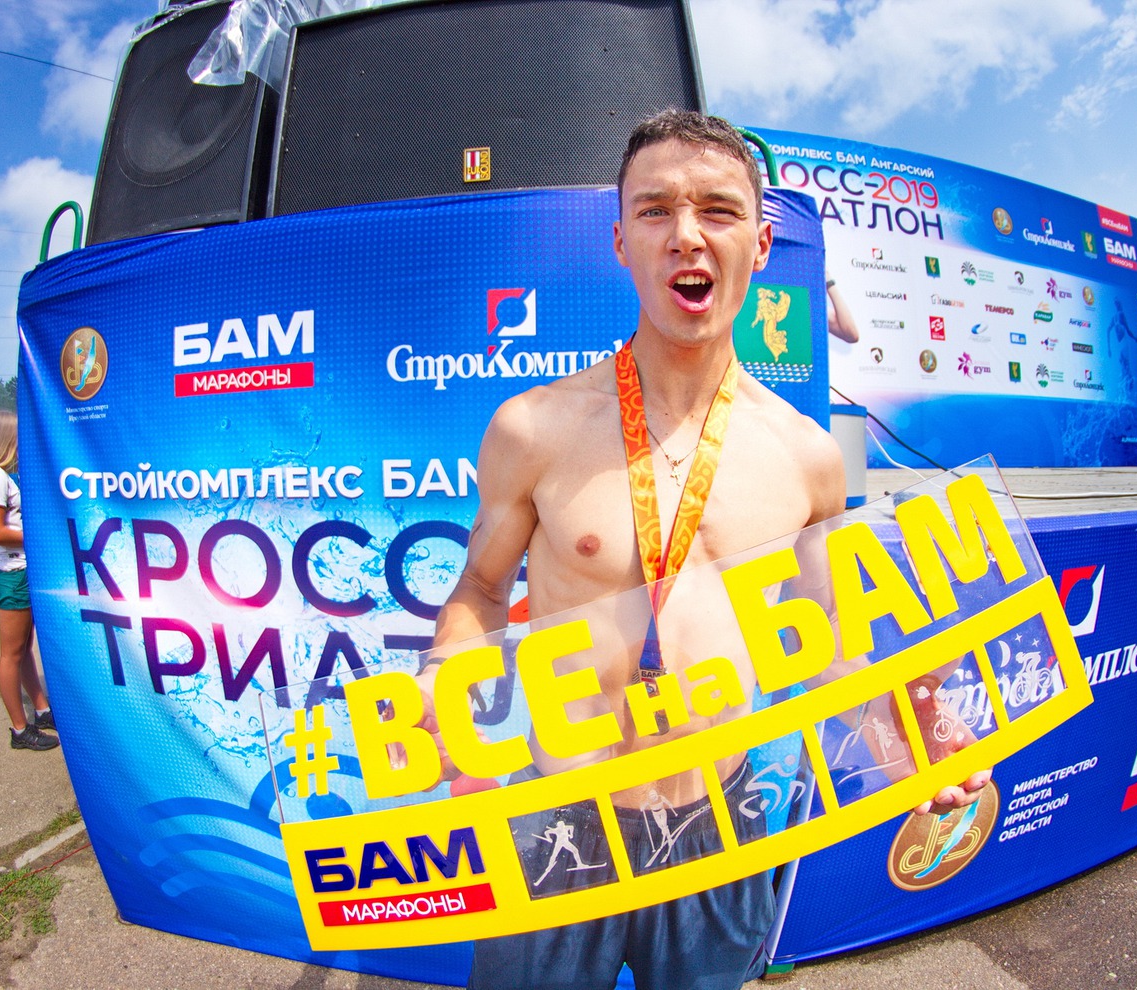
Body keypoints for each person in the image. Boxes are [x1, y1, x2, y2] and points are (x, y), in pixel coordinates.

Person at [416, 111, 989, 990]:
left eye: (717, 210)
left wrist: (898, 735)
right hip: (559, 815)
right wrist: (444, 674)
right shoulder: (533, 428)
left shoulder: (808, 456)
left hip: (721, 824)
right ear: (621, 242)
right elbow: (481, 590)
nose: (686, 234)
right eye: (655, 210)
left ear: (759, 245)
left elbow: (826, 638)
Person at [0, 410, 58, 752]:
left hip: (17, 570)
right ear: (6, 438)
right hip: (12, 573)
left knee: (22, 650)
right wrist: (39, 535)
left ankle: (41, 710)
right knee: (11, 654)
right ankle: (20, 729)